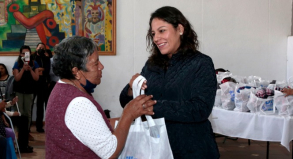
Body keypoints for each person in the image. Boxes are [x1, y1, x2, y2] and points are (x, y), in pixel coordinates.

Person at [119, 6, 220, 159]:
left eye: (161, 31)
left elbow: (200, 109)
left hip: (191, 148)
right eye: (153, 34)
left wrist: (150, 106)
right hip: (156, 147)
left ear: (180, 29)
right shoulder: (152, 64)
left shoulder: (201, 63)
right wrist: (132, 88)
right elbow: (126, 102)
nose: (156, 38)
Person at [45, 36, 156, 158]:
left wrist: (135, 115)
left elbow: (97, 126)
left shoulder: (62, 88)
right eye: (96, 63)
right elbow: (110, 152)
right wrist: (128, 114)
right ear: (76, 72)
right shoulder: (78, 102)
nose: (101, 67)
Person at [13, 45, 39, 139]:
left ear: (30, 53)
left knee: (28, 113)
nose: (25, 55)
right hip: (19, 91)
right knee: (20, 112)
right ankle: (19, 133)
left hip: (29, 91)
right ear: (20, 54)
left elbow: (36, 78)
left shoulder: (34, 63)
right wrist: (23, 69)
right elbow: (17, 78)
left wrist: (30, 69)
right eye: (23, 53)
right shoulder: (17, 63)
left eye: (27, 53)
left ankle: (26, 132)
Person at [31, 43, 51, 133]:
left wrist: (38, 70)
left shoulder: (46, 59)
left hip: (43, 84)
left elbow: (46, 70)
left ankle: (39, 126)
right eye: (40, 47)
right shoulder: (32, 57)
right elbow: (31, 68)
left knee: (40, 105)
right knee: (30, 105)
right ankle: (28, 126)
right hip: (32, 84)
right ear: (36, 48)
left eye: (43, 48)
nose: (41, 49)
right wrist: (38, 69)